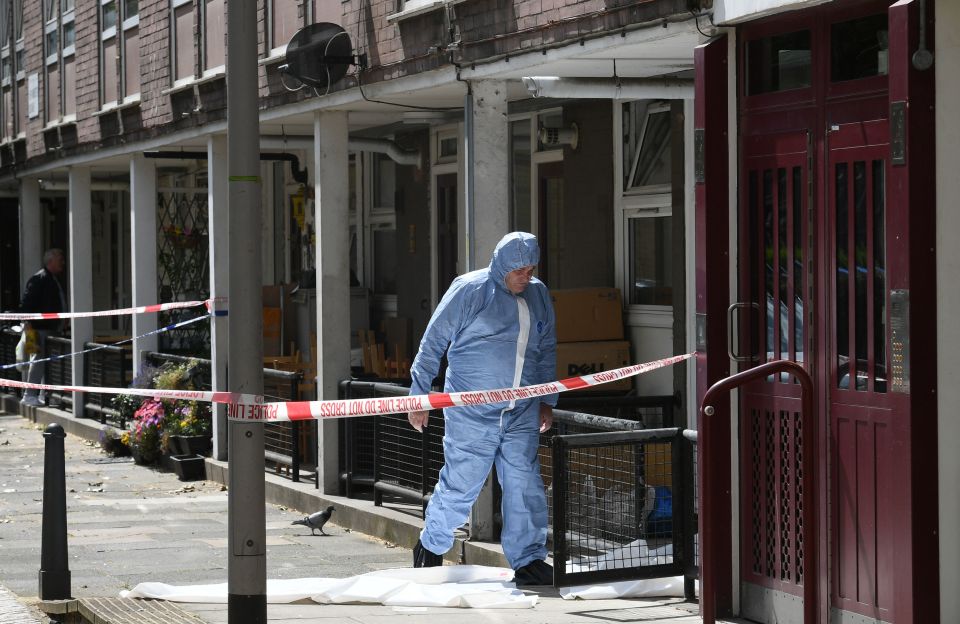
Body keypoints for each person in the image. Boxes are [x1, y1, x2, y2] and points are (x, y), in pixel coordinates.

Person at [406, 232, 557, 586]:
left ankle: (529, 560)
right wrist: (420, 394)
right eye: (519, 269)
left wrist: (547, 401)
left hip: (522, 407)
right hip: (472, 407)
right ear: (502, 264)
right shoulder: (469, 290)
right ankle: (431, 547)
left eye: (531, 268)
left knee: (524, 483)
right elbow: (433, 341)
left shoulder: (538, 293)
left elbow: (546, 346)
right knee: (462, 481)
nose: (525, 275)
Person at [19, 248, 67, 406]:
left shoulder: (51, 278)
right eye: (60, 259)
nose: (63, 262)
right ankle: (30, 394)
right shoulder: (39, 279)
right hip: (37, 328)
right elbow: (27, 303)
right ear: (51, 261)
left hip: (49, 328)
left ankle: (41, 393)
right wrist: (28, 325)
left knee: (45, 361)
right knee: (37, 359)